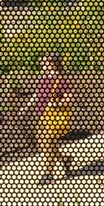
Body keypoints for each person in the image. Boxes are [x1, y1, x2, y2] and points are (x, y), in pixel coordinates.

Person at [24, 52, 74, 185]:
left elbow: (69, 99)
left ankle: (48, 174)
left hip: (53, 118)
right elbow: (37, 94)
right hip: (42, 116)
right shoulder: (44, 78)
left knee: (47, 144)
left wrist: (56, 103)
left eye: (45, 62)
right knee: (44, 144)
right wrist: (25, 108)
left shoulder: (60, 80)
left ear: (52, 64)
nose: (41, 63)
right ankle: (64, 160)